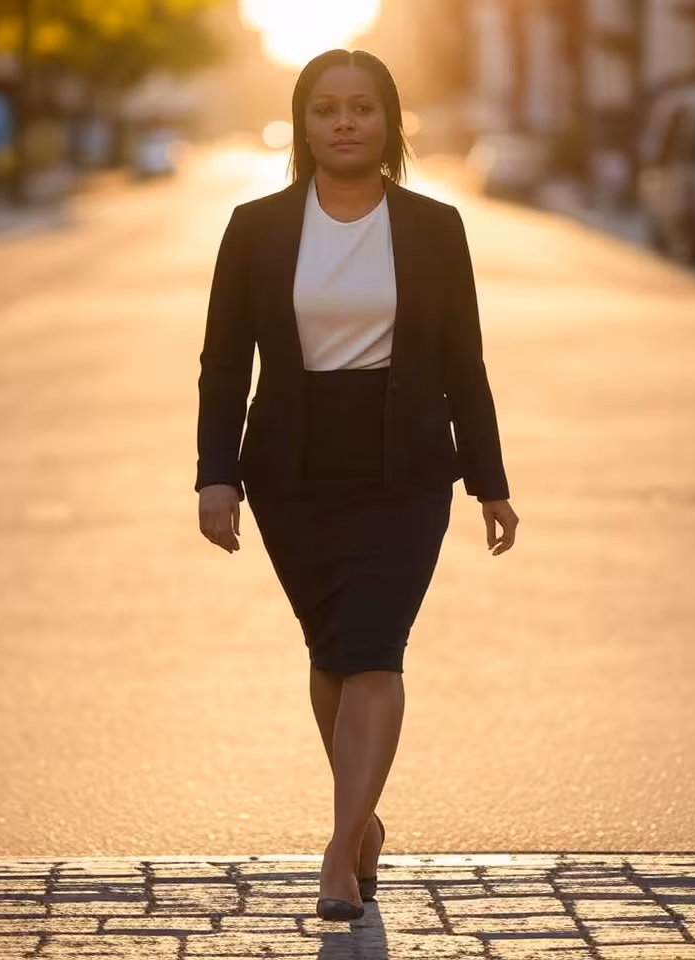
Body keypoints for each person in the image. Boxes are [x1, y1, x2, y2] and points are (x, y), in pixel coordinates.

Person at [195, 49, 519, 922]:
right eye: (326, 109)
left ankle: (338, 854)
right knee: (333, 652)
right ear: (302, 125)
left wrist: (488, 480)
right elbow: (225, 364)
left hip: (405, 467)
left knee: (375, 643)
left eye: (362, 108)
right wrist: (215, 475)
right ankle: (365, 823)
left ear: (390, 121)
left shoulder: (434, 227)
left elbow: (465, 364)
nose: (345, 123)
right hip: (292, 470)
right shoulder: (255, 227)